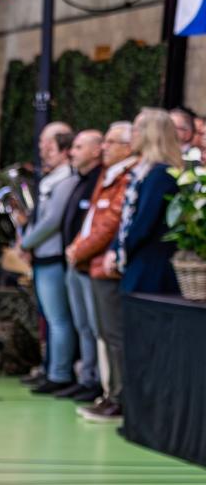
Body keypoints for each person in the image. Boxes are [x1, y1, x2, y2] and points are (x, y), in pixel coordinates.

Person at [69, 121, 136, 421]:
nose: (104, 147)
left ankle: (118, 397)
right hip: (91, 264)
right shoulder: (108, 175)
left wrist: (79, 250)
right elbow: (92, 220)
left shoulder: (126, 176)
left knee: (112, 334)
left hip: (105, 266)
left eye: (111, 142)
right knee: (102, 333)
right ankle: (109, 394)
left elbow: (109, 226)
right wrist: (77, 247)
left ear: (128, 147)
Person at [15, 124, 81, 396]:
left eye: (49, 145)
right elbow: (38, 216)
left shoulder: (67, 180)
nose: (43, 151)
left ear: (64, 150)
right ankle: (48, 367)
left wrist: (27, 242)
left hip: (52, 256)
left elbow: (52, 220)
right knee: (48, 317)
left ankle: (59, 373)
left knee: (58, 319)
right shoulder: (53, 178)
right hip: (41, 255)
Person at [54, 129, 104, 402]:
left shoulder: (100, 179)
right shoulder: (81, 180)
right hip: (74, 260)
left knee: (96, 327)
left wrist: (80, 250)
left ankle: (97, 381)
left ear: (96, 151)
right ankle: (86, 377)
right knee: (82, 325)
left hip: (88, 262)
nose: (72, 152)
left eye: (79, 147)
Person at [116, 109, 183, 296]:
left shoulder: (160, 174)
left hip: (150, 270)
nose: (131, 134)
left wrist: (121, 251)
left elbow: (143, 225)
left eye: (136, 129)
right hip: (142, 264)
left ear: (150, 133)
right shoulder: (145, 171)